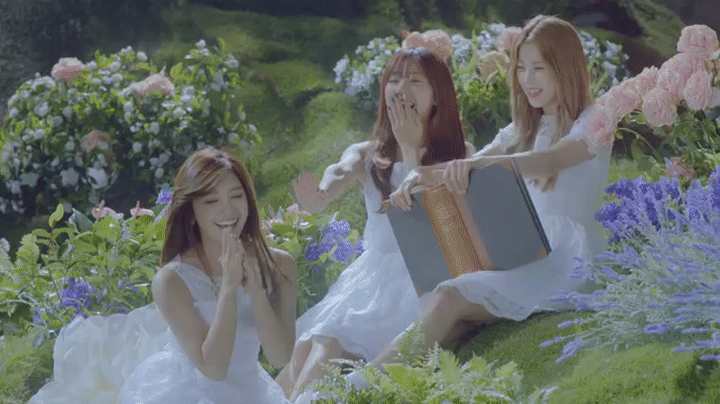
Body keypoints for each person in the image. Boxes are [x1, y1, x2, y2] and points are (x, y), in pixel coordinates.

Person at [350, 14, 614, 381]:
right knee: (447, 309)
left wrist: (478, 164)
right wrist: (423, 174)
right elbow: (472, 164)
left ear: (566, 68)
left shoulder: (596, 120)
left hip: (567, 258)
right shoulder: (523, 128)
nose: (528, 79)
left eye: (539, 68)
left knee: (450, 297)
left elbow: (548, 161)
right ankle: (367, 383)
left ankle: (357, 386)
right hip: (522, 249)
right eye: (521, 68)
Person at [279, 32, 475, 402]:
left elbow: (434, 227)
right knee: (307, 350)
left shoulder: (460, 155)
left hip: (419, 278)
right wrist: (320, 195)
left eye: (415, 81)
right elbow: (338, 173)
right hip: (370, 277)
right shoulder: (367, 152)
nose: (402, 89)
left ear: (438, 96)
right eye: (394, 80)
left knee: (327, 345)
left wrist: (411, 150)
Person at [28, 147, 297, 404]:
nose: (227, 210)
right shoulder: (172, 280)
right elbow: (214, 369)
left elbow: (280, 357)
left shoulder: (281, 264)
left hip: (251, 392)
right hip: (191, 393)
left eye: (236, 196)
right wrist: (229, 289)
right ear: (191, 212)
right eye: (211, 201)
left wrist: (257, 289)